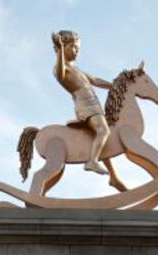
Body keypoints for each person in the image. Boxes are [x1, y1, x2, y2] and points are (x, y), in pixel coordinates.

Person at [52, 30, 113, 175]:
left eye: (78, 49)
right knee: (103, 131)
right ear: (62, 47)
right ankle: (92, 161)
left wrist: (113, 85)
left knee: (103, 133)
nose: (76, 51)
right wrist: (60, 51)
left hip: (94, 104)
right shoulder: (61, 68)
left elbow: (95, 80)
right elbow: (60, 75)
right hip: (85, 106)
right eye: (73, 47)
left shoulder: (77, 70)